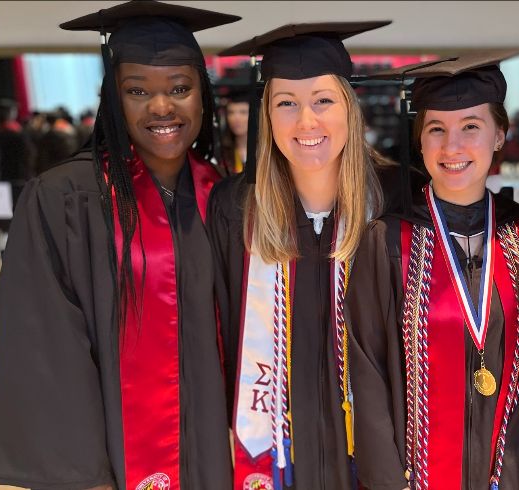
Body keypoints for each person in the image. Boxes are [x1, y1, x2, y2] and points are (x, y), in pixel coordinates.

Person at [0, 2, 240, 489]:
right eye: (137, 91)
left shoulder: (225, 197)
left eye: (179, 88)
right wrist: (86, 475)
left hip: (216, 460)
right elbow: (47, 351)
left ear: (202, 97)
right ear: (113, 100)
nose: (162, 107)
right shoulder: (67, 198)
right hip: (112, 467)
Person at [210, 21, 393, 490]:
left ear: (350, 111)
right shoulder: (233, 211)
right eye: (285, 103)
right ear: (266, 116)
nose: (305, 121)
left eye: (323, 100)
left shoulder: (394, 207)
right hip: (276, 461)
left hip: (373, 463)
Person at [347, 52, 519, 490]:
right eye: (436, 130)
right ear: (421, 142)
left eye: (471, 126)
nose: (452, 147)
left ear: (500, 134)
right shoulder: (388, 241)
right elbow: (367, 375)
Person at [218, 87, 251, 174]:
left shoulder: (266, 151)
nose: (236, 118)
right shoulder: (220, 153)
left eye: (243, 112)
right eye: (231, 112)